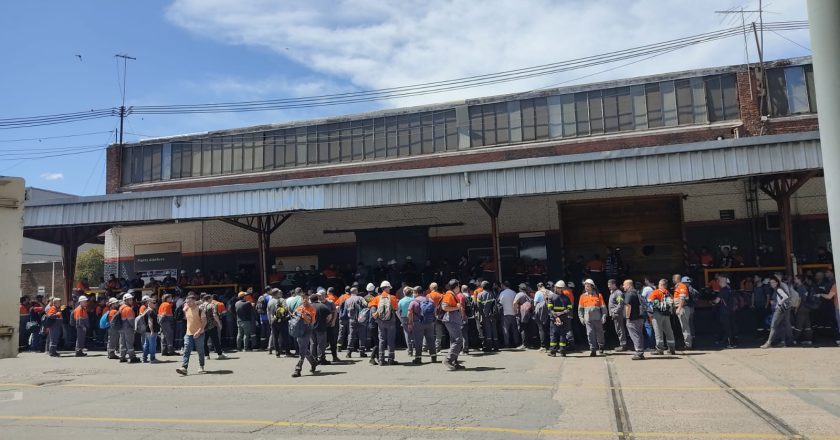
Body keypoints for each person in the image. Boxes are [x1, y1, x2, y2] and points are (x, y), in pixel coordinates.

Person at [369, 280, 399, 366]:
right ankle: (391, 359)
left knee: (381, 340)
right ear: (387, 288)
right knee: (391, 340)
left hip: (381, 323)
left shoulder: (377, 298)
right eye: (389, 288)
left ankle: (381, 360)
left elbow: (372, 309)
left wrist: (377, 317)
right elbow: (396, 310)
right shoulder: (392, 297)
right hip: (391, 322)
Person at [176, 294, 207, 375]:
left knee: (200, 350)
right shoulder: (186, 308)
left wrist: (199, 330)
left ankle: (201, 366)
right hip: (189, 333)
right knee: (186, 350)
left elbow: (204, 322)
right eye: (186, 302)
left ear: (194, 301)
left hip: (199, 333)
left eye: (189, 301)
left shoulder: (200, 309)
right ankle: (184, 367)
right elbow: (184, 312)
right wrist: (185, 308)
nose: (187, 303)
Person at [408, 285, 438, 364]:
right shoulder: (429, 300)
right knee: (431, 339)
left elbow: (409, 313)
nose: (413, 294)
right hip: (430, 323)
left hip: (418, 323)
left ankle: (418, 358)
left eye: (413, 292)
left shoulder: (414, 302)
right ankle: (433, 357)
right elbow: (435, 310)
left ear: (416, 293)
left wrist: (410, 323)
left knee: (418, 341)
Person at [761, 277, 793, 349]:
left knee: (773, 325)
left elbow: (785, 296)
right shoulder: (778, 289)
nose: (772, 284)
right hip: (784, 310)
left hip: (780, 310)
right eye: (771, 283)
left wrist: (778, 304)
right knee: (781, 326)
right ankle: (784, 342)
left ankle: (768, 343)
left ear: (777, 282)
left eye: (773, 282)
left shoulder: (778, 289)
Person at [291, 293, 317, 377]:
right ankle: (313, 362)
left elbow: (311, 322)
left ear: (308, 298)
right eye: (303, 298)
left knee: (302, 349)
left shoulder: (311, 309)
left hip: (307, 329)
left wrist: (304, 315)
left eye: (306, 298)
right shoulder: (299, 308)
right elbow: (294, 319)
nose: (304, 300)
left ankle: (298, 369)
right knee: (304, 349)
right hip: (299, 330)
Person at [578, 279, 607, 357]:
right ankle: (593, 350)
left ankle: (601, 346)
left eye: (588, 285)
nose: (586, 286)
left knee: (600, 334)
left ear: (592, 286)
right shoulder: (582, 296)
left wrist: (604, 316)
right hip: (588, 319)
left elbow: (603, 307)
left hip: (597, 319)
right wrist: (581, 318)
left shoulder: (598, 295)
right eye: (585, 285)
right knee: (590, 334)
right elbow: (580, 309)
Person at [441, 279, 465, 370]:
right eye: (458, 286)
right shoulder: (449, 295)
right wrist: (456, 307)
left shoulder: (452, 294)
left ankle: (454, 361)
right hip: (451, 321)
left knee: (454, 341)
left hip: (453, 321)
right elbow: (444, 307)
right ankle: (448, 359)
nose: (459, 287)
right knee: (458, 341)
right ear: (455, 287)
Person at [647, 279, 676, 355]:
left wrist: (650, 313)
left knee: (658, 331)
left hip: (657, 314)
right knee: (669, 331)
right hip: (666, 314)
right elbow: (672, 303)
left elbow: (649, 302)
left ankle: (659, 349)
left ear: (661, 284)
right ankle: (671, 348)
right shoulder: (668, 293)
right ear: (666, 285)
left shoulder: (655, 292)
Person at [547, 281, 572, 357]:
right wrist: (561, 314)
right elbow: (569, 309)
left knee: (553, 335)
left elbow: (550, 309)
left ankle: (553, 352)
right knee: (562, 335)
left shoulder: (551, 297)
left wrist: (556, 317)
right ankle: (562, 351)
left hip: (554, 319)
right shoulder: (566, 298)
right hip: (563, 319)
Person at [623, 279, 645, 360]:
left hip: (633, 318)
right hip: (640, 317)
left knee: (635, 335)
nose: (623, 286)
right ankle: (641, 351)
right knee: (639, 335)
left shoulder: (629, 294)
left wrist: (627, 317)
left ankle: (639, 352)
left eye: (624, 285)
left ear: (628, 285)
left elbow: (628, 306)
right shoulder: (637, 292)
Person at [344, 286, 369, 358]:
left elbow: (346, 310)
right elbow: (366, 304)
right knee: (362, 335)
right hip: (360, 319)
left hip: (351, 319)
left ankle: (349, 352)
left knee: (351, 335)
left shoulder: (347, 300)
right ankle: (362, 351)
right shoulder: (360, 298)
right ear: (356, 291)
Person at [714, 275, 737, 349]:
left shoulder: (723, 290)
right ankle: (732, 341)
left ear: (722, 281)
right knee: (730, 326)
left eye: (719, 281)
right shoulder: (729, 289)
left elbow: (717, 301)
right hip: (730, 311)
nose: (719, 282)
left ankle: (731, 343)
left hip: (724, 311)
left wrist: (712, 302)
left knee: (727, 328)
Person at [476, 281, 499, 352]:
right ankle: (496, 346)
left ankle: (489, 347)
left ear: (482, 287)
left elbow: (478, 306)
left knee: (488, 330)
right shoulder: (493, 293)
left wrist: (482, 315)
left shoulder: (480, 295)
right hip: (493, 314)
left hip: (486, 315)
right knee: (494, 330)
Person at [200, 293, 225, 359]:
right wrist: (219, 323)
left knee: (204, 341)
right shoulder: (212, 305)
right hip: (211, 326)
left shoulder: (200, 306)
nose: (212, 299)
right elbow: (215, 315)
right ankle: (219, 354)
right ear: (209, 299)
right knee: (215, 340)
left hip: (203, 326)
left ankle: (206, 355)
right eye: (211, 298)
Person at [310, 292, 332, 365]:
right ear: (317, 299)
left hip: (310, 328)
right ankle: (321, 359)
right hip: (321, 327)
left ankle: (313, 358)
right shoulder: (322, 306)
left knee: (313, 343)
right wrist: (326, 322)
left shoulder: (308, 307)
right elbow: (329, 316)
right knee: (321, 344)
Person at [118, 293, 140, 363]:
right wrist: (134, 328)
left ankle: (122, 357)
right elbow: (131, 321)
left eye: (131, 299)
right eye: (130, 300)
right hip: (128, 328)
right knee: (129, 343)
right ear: (126, 300)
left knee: (122, 343)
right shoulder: (128, 309)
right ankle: (132, 357)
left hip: (121, 328)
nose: (131, 301)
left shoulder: (121, 307)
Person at [673, 275, 694, 350]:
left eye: (674, 278)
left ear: (678, 279)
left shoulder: (682, 286)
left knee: (685, 327)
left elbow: (682, 298)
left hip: (683, 308)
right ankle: (687, 344)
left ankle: (688, 345)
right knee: (684, 327)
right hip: (683, 308)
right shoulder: (680, 286)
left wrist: (679, 308)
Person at [607, 279, 627, 351]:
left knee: (620, 329)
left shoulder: (618, 293)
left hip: (618, 314)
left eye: (610, 285)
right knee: (618, 329)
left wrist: (615, 312)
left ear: (614, 284)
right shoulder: (612, 293)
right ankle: (622, 344)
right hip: (615, 314)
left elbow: (620, 304)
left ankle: (623, 345)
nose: (608, 286)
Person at [267, 288, 287, 357]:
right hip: (282, 321)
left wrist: (270, 321)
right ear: (277, 293)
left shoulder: (270, 301)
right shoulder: (281, 300)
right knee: (285, 336)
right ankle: (287, 352)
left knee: (275, 337)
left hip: (273, 321)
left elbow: (268, 312)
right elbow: (286, 309)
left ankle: (277, 352)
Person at [426, 283, 445, 353]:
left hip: (430, 315)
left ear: (430, 288)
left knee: (428, 331)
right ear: (437, 288)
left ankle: (425, 346)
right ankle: (437, 347)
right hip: (439, 315)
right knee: (438, 332)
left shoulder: (428, 296)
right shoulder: (441, 295)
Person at [513, 284, 534, 349]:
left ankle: (524, 344)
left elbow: (514, 303)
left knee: (522, 328)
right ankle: (529, 344)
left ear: (520, 288)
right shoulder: (528, 294)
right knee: (528, 328)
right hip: (529, 313)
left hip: (522, 314)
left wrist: (515, 311)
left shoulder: (519, 294)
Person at [397, 286, 416, 358]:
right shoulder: (414, 299)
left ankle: (410, 350)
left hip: (404, 318)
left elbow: (398, 311)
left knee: (407, 334)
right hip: (414, 317)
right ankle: (415, 348)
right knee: (414, 332)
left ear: (404, 293)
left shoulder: (401, 301)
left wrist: (400, 319)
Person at [498, 281, 518, 348]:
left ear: (504, 285)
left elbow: (500, 303)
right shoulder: (514, 292)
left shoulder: (502, 293)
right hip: (514, 313)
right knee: (514, 329)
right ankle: (516, 342)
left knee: (505, 329)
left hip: (505, 313)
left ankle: (507, 343)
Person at [141, 296, 160, 363]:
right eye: (154, 303)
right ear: (149, 303)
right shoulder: (151, 311)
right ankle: (152, 358)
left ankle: (144, 358)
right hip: (151, 331)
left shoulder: (146, 310)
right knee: (152, 345)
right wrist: (152, 330)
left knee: (147, 344)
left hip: (147, 331)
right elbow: (150, 321)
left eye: (156, 303)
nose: (155, 304)